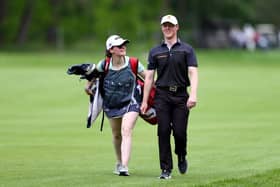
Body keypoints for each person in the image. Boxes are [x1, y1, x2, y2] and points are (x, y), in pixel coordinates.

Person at [140, 15, 198, 179]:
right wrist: (145, 101)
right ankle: (166, 169)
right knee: (163, 131)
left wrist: (192, 94)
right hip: (162, 96)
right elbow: (149, 78)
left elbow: (193, 72)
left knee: (180, 132)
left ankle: (181, 154)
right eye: (165, 26)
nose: (167, 28)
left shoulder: (187, 49)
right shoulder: (155, 52)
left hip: (181, 96)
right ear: (162, 28)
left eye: (170, 25)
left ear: (177, 27)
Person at [85, 35, 146, 176]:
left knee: (126, 130)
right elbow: (91, 78)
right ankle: (119, 162)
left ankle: (124, 166)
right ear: (111, 49)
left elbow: (149, 78)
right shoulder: (104, 64)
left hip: (132, 101)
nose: (123, 47)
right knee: (117, 135)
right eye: (119, 46)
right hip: (112, 104)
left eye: (124, 44)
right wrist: (88, 87)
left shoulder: (133, 63)